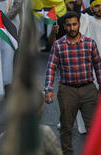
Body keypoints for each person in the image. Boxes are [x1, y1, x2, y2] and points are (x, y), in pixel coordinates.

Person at [44, 11, 101, 155]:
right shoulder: (58, 45)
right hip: (67, 91)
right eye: (68, 25)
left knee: (94, 129)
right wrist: (48, 89)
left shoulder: (90, 43)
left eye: (75, 24)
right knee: (66, 128)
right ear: (64, 26)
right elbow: (51, 67)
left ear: (79, 24)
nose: (72, 28)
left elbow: (98, 67)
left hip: (89, 90)